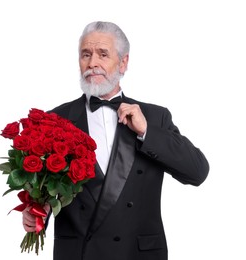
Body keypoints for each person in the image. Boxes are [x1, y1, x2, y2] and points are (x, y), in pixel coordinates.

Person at [22, 21, 209, 260]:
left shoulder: (154, 117)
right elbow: (43, 190)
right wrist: (38, 212)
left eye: (103, 54)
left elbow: (198, 172)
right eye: (85, 55)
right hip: (78, 253)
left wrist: (147, 132)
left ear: (123, 62)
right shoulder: (56, 119)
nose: (92, 64)